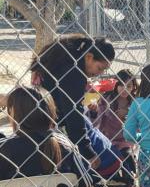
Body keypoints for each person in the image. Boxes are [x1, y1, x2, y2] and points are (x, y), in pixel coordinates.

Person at [0, 86, 96, 187]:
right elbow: (85, 182)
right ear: (51, 112)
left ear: (13, 114)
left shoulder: (4, 148)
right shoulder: (64, 144)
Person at [30, 33, 115, 169]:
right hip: (47, 123)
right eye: (100, 68)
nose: (99, 73)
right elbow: (73, 115)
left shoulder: (68, 57)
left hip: (42, 118)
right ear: (89, 57)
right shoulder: (73, 72)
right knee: (101, 149)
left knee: (90, 129)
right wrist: (88, 152)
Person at [86, 69, 139, 183]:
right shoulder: (107, 99)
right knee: (113, 161)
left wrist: (128, 117)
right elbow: (95, 123)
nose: (124, 89)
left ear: (134, 87)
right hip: (109, 139)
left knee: (127, 154)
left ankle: (129, 178)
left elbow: (139, 126)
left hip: (126, 140)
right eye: (121, 85)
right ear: (115, 85)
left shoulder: (134, 102)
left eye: (128, 86)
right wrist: (94, 112)